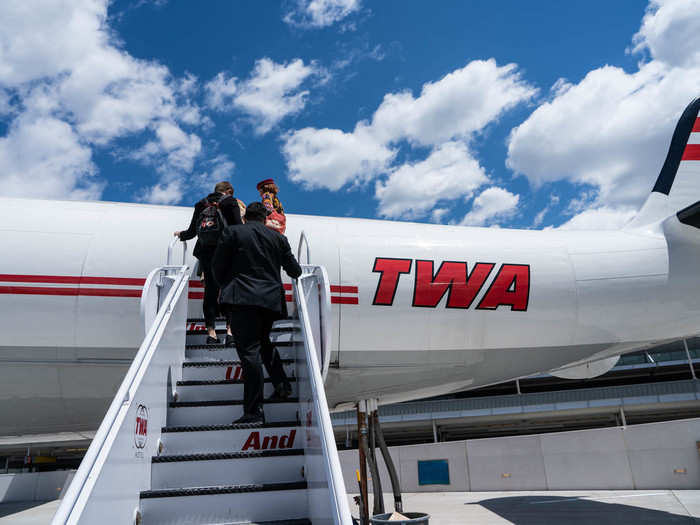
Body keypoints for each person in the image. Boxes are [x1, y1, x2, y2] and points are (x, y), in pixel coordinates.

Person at [213, 202, 302, 424]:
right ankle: (282, 385)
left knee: (249, 352)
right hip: (270, 302)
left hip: (241, 299)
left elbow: (217, 266)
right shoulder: (279, 238)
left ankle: (254, 411)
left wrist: (229, 284)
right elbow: (295, 271)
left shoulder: (232, 232)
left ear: (246, 218)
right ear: (264, 219)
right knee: (263, 342)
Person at [174, 181, 243, 345]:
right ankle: (230, 331)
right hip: (227, 253)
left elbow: (191, 232)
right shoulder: (230, 202)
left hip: (206, 253)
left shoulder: (201, 204)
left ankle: (211, 333)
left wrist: (180, 235)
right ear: (229, 191)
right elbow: (238, 229)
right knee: (229, 291)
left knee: (210, 293)